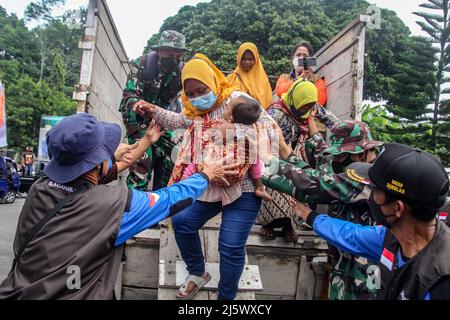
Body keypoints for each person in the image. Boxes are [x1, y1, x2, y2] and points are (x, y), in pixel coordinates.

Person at [0, 113, 233, 299]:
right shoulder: (115, 207)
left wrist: (142, 143)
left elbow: (97, 175)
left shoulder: (39, 188)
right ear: (97, 162)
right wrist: (204, 176)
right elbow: (169, 199)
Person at [133, 53, 276, 300]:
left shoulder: (236, 99)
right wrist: (153, 110)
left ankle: (226, 297)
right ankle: (197, 272)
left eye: (202, 90)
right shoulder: (193, 107)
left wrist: (230, 129)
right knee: (182, 222)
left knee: (230, 246)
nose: (198, 98)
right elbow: (179, 119)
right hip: (209, 181)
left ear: (212, 80)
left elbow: (268, 128)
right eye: (191, 93)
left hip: (243, 187)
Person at [292, 143, 450, 300]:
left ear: (398, 208)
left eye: (376, 191)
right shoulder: (389, 238)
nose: (371, 198)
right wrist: (311, 216)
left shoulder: (439, 282)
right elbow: (349, 234)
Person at [262, 120, 385, 300]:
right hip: (343, 263)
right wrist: (285, 150)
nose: (334, 161)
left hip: (366, 273)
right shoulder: (351, 173)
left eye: (340, 157)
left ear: (362, 154)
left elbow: (317, 185)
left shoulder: (368, 177)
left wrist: (264, 163)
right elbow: (323, 178)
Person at [258, 79, 338, 242]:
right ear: (294, 99)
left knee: (299, 187)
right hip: (274, 153)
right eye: (304, 106)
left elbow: (333, 122)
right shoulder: (276, 113)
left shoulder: (311, 106)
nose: (307, 110)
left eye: (310, 106)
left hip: (294, 153)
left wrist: (344, 135)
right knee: (275, 190)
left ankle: (289, 225)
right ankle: (268, 224)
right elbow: (265, 139)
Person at [120, 30, 188, 191]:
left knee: (173, 155)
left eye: (177, 54)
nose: (173, 57)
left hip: (161, 117)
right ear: (158, 51)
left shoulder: (184, 71)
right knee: (142, 160)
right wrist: (139, 105)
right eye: (169, 52)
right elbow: (129, 94)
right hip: (138, 117)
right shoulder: (142, 64)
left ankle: (160, 200)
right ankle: (134, 203)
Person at [182, 95, 272, 202]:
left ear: (231, 118)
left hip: (215, 172)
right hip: (235, 177)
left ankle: (184, 181)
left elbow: (210, 140)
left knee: (200, 158)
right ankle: (259, 187)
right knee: (254, 158)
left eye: (227, 108)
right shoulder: (251, 133)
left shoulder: (223, 127)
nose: (225, 108)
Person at [226, 42, 273, 109]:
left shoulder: (263, 80)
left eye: (250, 59)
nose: (247, 62)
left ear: (256, 60)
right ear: (239, 59)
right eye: (244, 59)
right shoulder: (231, 79)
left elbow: (268, 102)